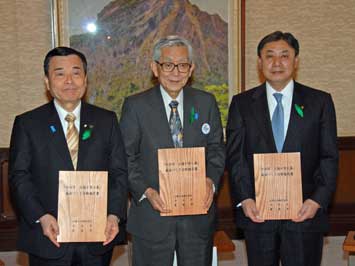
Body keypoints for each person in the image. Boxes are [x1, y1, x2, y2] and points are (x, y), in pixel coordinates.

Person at [226, 31, 338, 266]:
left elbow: (329, 157)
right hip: (258, 215)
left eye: (284, 56)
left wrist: (316, 201)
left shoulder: (320, 102)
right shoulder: (242, 104)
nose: (277, 63)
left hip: (304, 214)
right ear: (260, 62)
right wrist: (245, 199)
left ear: (296, 61)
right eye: (269, 56)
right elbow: (236, 158)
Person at [9, 47, 128, 266]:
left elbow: (119, 173)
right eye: (60, 73)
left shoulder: (106, 120)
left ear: (85, 79)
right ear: (47, 81)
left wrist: (114, 215)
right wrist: (41, 216)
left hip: (97, 237)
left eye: (76, 72)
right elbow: (19, 177)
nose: (69, 81)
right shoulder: (28, 124)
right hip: (48, 237)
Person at [120, 35, 225, 266]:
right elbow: (126, 157)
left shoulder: (206, 102)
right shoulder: (135, 106)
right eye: (168, 65)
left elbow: (217, 149)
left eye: (183, 65)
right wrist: (146, 191)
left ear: (191, 69)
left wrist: (211, 181)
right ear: (155, 68)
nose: (175, 72)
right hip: (151, 216)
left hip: (197, 218)